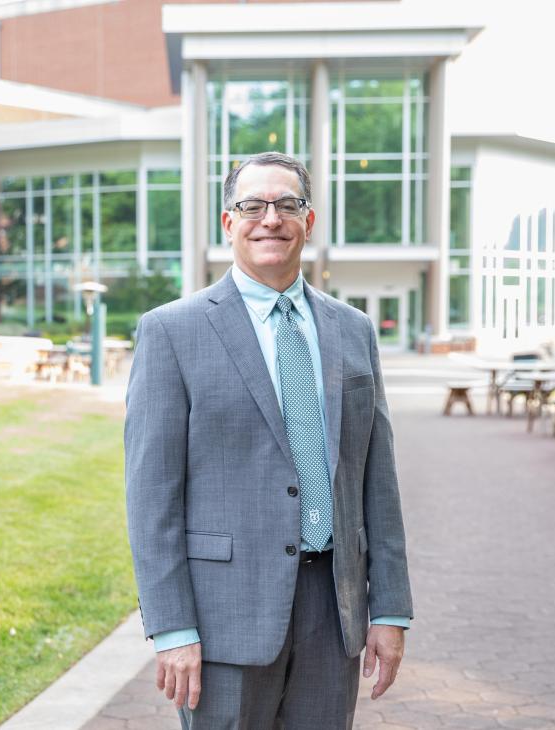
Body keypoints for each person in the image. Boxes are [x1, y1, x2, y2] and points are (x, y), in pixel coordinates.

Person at [125, 151, 413, 729]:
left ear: (309, 222)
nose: (270, 218)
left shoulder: (352, 330)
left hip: (335, 613)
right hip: (222, 619)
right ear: (229, 223)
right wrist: (173, 627)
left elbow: (376, 480)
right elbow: (151, 497)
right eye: (252, 205)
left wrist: (390, 610)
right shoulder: (172, 332)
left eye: (287, 205)